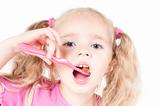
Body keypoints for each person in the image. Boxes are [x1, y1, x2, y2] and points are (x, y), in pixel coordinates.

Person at [0, 8, 138, 106]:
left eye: (96, 46)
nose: (83, 51)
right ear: (52, 55)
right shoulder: (24, 94)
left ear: (111, 63)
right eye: (70, 43)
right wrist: (12, 46)